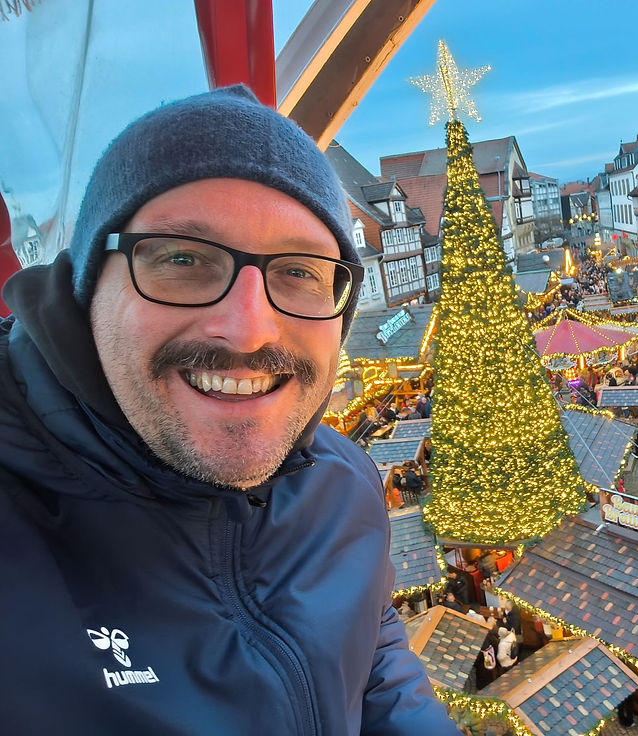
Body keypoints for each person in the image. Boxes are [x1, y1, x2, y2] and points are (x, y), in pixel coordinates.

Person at [0, 87, 457, 734]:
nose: (248, 331)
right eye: (182, 260)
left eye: (299, 271)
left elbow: (375, 659)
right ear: (86, 289)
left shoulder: (346, 486)